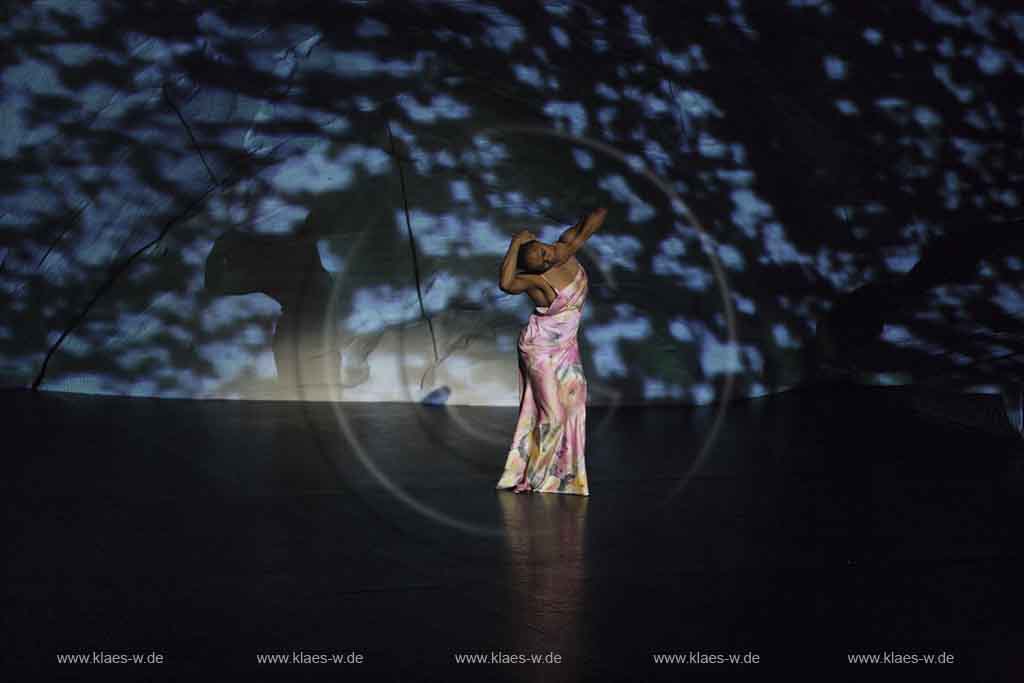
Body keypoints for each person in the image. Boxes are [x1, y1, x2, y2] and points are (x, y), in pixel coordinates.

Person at [495, 207, 608, 495]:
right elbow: (506, 283)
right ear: (533, 270)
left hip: (566, 347)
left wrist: (587, 220)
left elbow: (595, 219)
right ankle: (535, 478)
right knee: (552, 415)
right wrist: (516, 243)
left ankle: (562, 475)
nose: (547, 258)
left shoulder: (564, 248)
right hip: (540, 350)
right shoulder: (537, 280)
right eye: (540, 261)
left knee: (574, 406)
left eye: (544, 251)